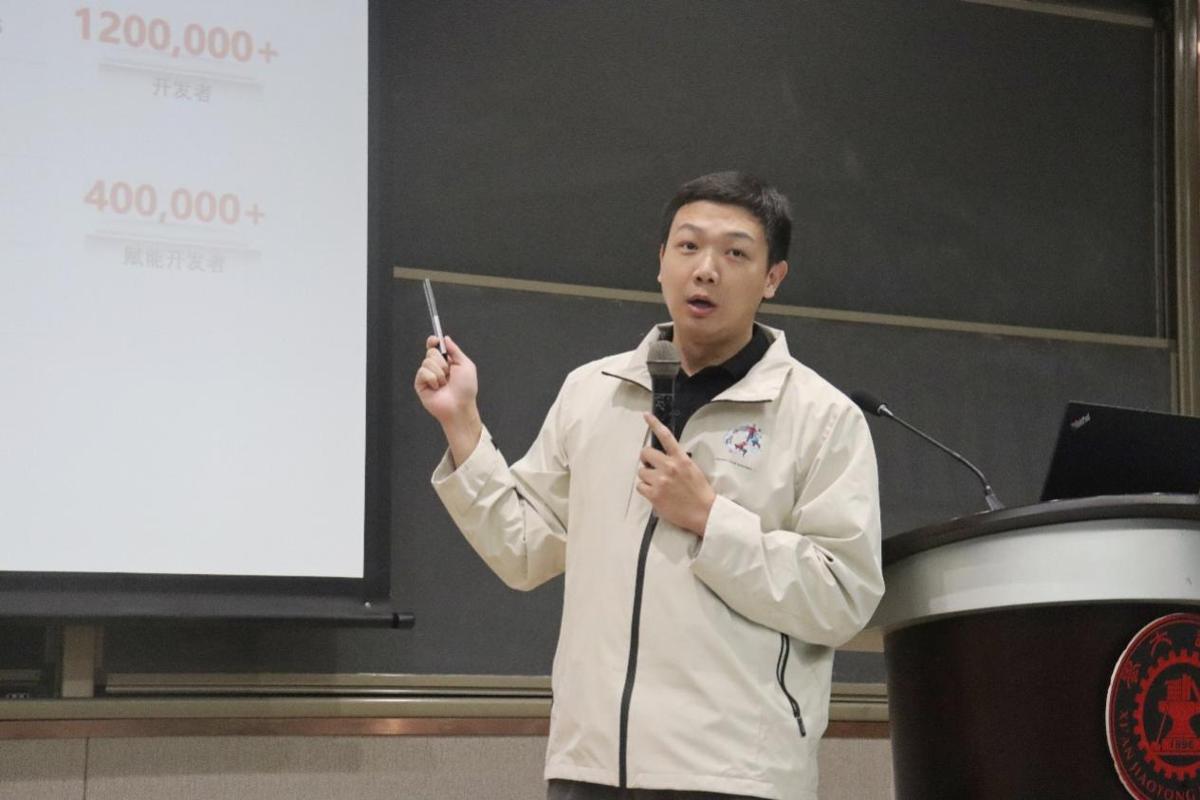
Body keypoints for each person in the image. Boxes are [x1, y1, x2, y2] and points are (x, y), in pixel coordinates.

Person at [413, 172, 884, 800]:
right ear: (661, 261)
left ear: (773, 278)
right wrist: (462, 424)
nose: (705, 270)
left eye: (735, 253)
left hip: (733, 774)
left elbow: (843, 597)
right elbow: (524, 550)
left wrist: (711, 519)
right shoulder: (592, 392)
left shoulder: (821, 418)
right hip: (591, 764)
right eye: (688, 246)